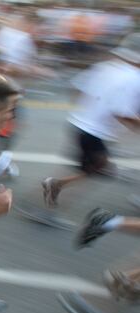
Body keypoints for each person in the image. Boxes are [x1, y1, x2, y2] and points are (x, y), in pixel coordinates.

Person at [42, 33, 140, 209]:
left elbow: (77, 88)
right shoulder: (133, 77)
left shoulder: (106, 66)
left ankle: (52, 193)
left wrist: (90, 109)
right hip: (94, 133)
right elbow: (121, 112)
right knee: (98, 170)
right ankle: (52, 190)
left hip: (79, 124)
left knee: (95, 169)